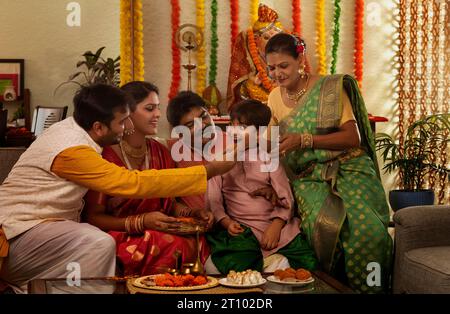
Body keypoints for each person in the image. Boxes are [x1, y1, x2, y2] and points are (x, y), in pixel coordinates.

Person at [0, 84, 235, 293]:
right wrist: (210, 170)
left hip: (46, 231)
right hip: (16, 235)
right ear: (99, 127)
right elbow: (131, 183)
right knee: (98, 243)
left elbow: (162, 186)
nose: (126, 127)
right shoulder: (74, 150)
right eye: (122, 122)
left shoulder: (75, 130)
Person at [264, 33, 393, 293]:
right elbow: (270, 146)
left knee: (369, 233)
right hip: (309, 178)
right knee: (323, 230)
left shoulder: (330, 89)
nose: (277, 73)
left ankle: (373, 288)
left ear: (301, 60)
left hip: (350, 168)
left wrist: (305, 140)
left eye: (283, 66)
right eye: (271, 68)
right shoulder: (274, 99)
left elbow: (352, 137)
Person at [84, 82, 213, 276]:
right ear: (126, 113)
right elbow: (94, 217)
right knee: (172, 242)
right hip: (122, 233)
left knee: (196, 238)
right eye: (150, 108)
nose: (158, 114)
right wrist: (141, 222)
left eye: (158, 108)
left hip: (158, 227)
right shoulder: (105, 156)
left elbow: (169, 204)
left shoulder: (160, 151)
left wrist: (191, 212)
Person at [166, 91, 290, 273]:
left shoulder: (235, 140)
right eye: (190, 125)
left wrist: (268, 188)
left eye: (203, 116)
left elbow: (267, 162)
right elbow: (167, 198)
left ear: (210, 112)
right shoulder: (171, 152)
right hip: (199, 225)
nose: (202, 126)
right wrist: (189, 212)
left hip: (241, 223)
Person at [206, 99, 318, 274]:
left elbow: (285, 196)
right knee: (232, 264)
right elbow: (214, 200)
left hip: (272, 223)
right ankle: (263, 269)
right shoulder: (221, 158)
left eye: (242, 127)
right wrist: (227, 223)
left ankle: (271, 264)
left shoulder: (268, 157)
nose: (235, 131)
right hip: (241, 228)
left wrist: (276, 225)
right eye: (232, 125)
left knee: (307, 263)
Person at [226, 4, 283, 111]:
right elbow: (238, 94)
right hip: (257, 115)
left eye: (276, 38)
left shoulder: (288, 63)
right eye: (266, 38)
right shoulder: (250, 62)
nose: (272, 43)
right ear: (256, 41)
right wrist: (252, 84)